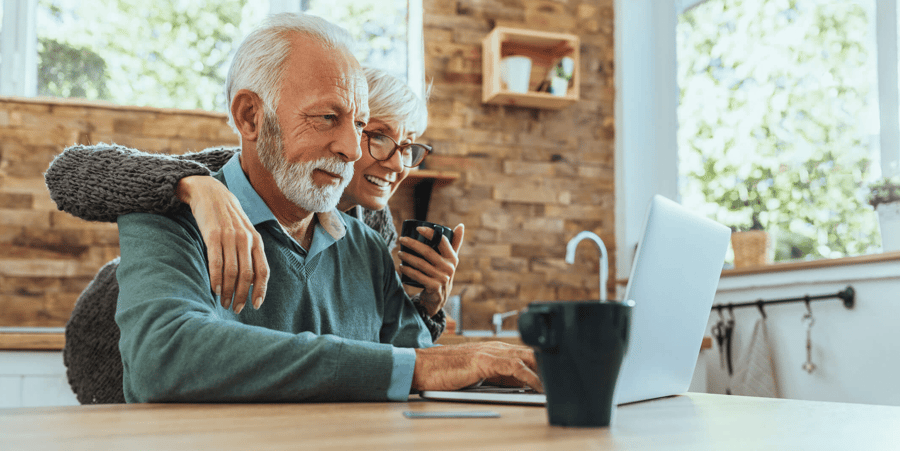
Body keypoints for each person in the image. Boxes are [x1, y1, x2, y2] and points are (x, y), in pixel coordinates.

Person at [51, 12, 541, 404]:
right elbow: (162, 360)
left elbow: (418, 362)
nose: (352, 149)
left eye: (360, 124)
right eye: (327, 117)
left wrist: (440, 323)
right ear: (249, 116)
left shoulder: (370, 241)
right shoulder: (168, 206)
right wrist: (413, 367)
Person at [48, 67, 451, 404]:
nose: (398, 163)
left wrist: (426, 306)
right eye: (377, 136)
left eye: (408, 147)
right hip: (114, 352)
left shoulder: (372, 228)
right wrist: (190, 184)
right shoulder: (234, 172)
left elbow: (381, 339)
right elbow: (68, 172)